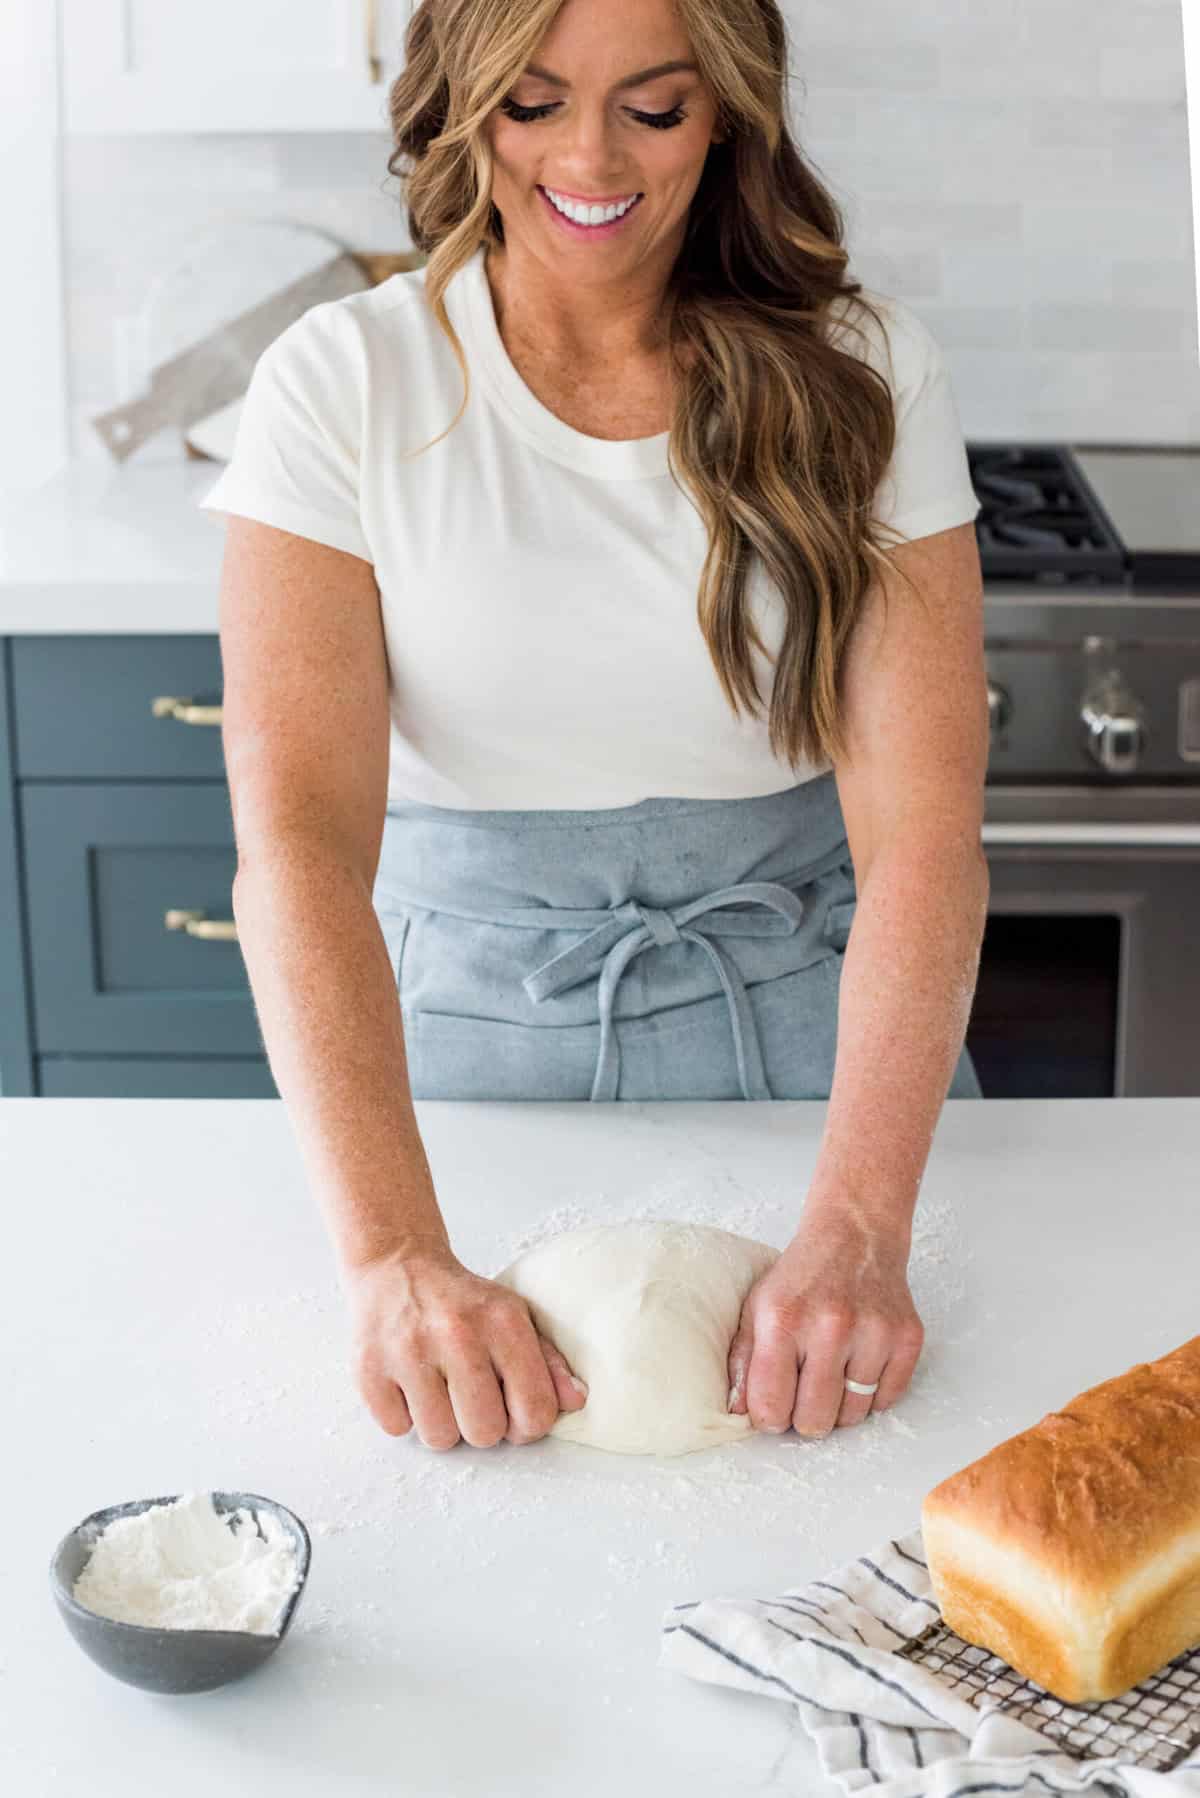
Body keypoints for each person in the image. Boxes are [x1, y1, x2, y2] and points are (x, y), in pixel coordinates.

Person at [200, 0, 989, 1459]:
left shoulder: (867, 370)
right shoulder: (344, 383)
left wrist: (865, 1226)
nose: (590, 156)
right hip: (459, 1072)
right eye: (533, 102)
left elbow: (927, 833)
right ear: (462, 105)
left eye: (655, 106)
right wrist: (390, 1258)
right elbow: (298, 843)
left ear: (729, 116)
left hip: (818, 1044)